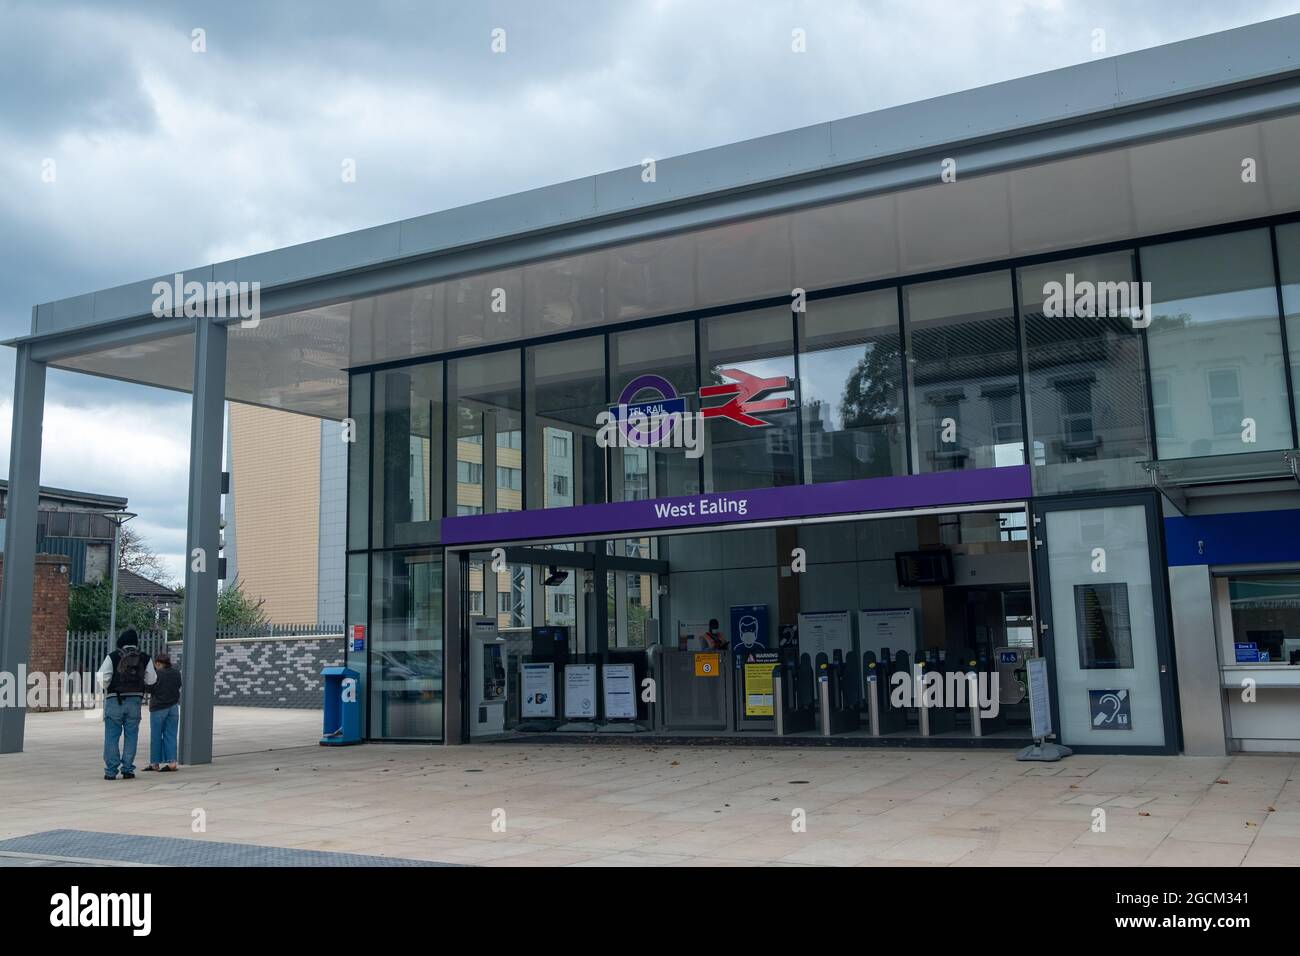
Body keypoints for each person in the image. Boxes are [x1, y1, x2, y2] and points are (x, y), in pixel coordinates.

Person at [96, 629, 158, 780]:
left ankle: (111, 771)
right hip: (135, 702)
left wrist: (108, 686)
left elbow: (102, 678)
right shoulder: (145, 658)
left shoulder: (113, 656)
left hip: (114, 700)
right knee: (131, 736)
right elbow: (151, 680)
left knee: (111, 736)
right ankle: (128, 769)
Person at [144, 651, 182, 773]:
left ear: (159, 663)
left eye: (156, 664)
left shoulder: (157, 674)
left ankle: (155, 763)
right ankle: (172, 763)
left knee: (156, 736)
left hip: (158, 708)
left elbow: (150, 688)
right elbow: (178, 686)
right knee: (170, 735)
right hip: (174, 707)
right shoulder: (176, 673)